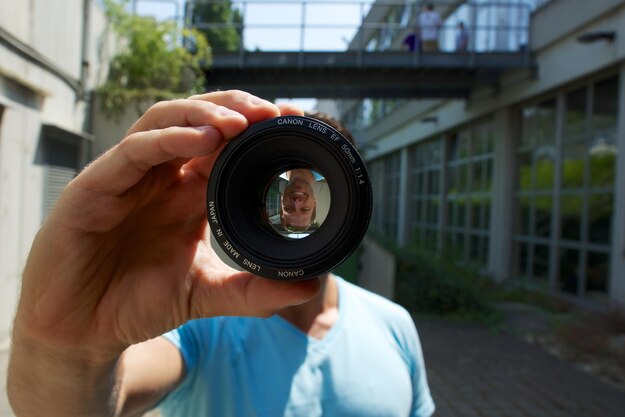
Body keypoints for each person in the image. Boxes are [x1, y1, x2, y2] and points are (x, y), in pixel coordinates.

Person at [6, 90, 435, 417]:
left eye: (310, 196)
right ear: (276, 204)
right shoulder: (200, 321)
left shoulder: (394, 326)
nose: (300, 203)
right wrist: (64, 351)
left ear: (351, 208)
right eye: (292, 196)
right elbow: (84, 406)